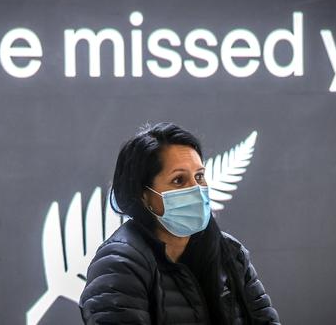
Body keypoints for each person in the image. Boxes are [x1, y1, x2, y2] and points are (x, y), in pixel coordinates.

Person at [79, 122, 280, 325]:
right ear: (144, 195)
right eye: (179, 180)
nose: (196, 189)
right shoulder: (118, 264)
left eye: (199, 176)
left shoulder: (230, 253)